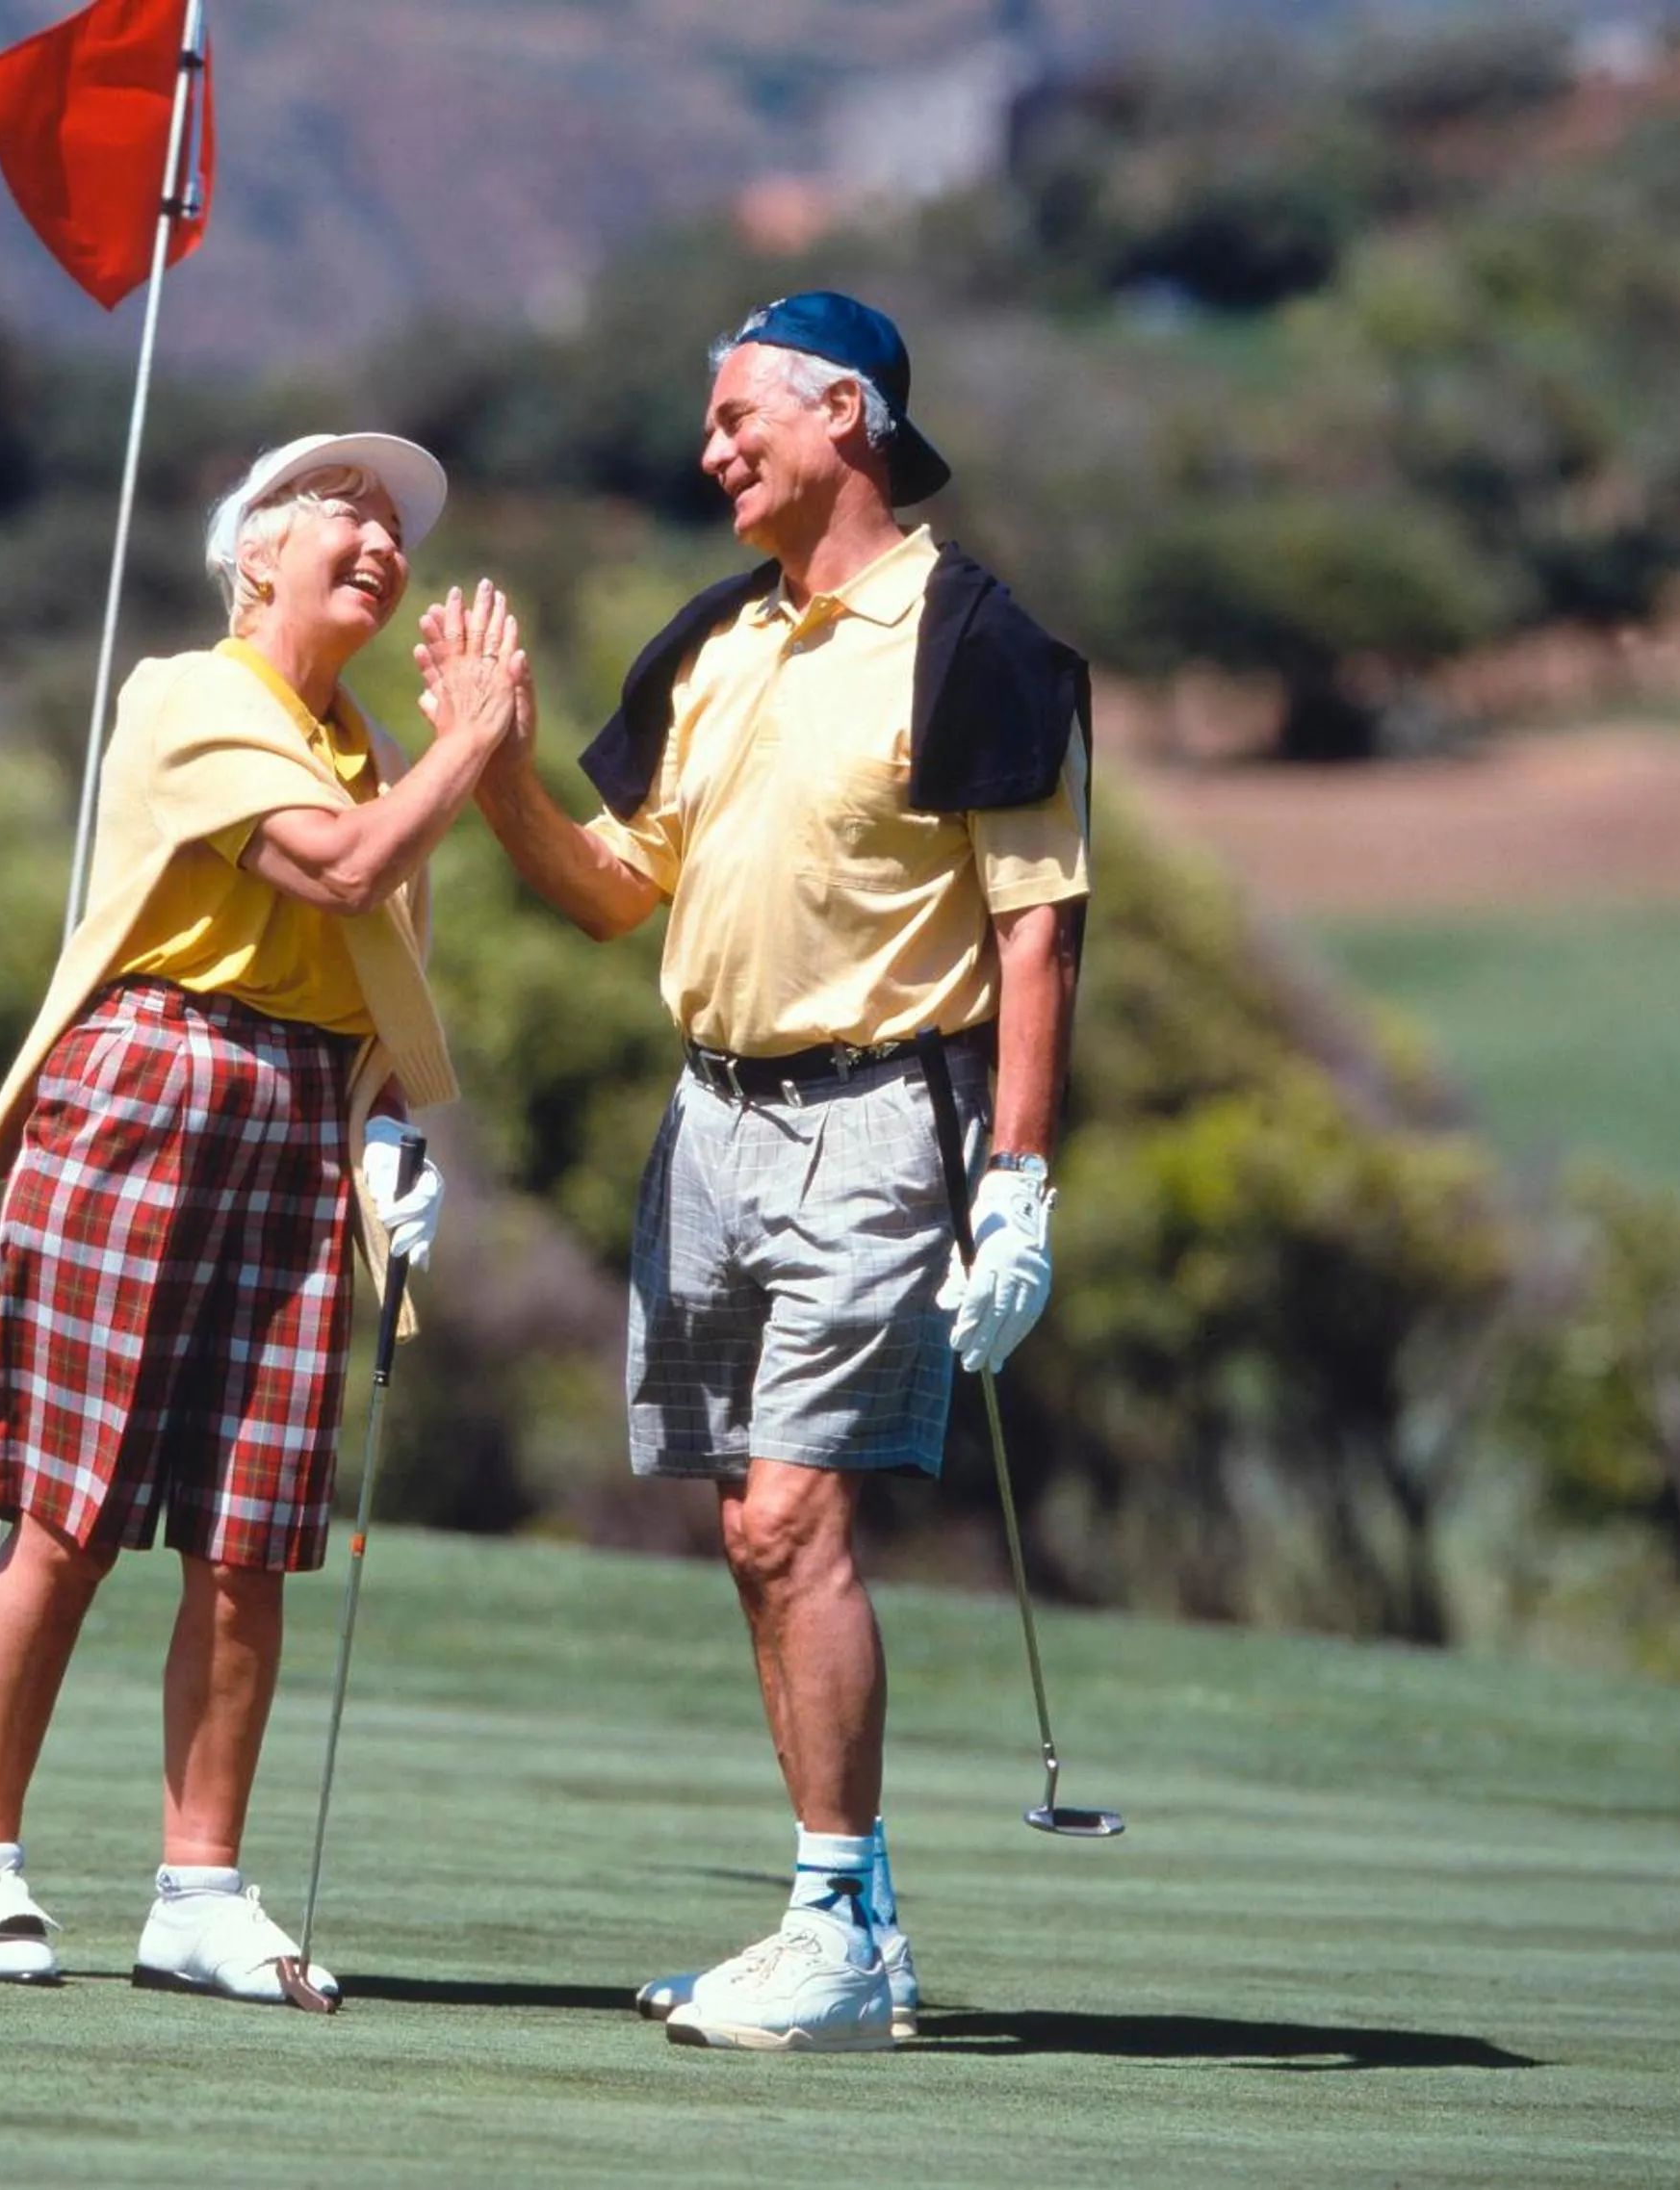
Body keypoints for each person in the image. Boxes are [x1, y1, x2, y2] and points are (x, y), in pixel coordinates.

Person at [440, 293, 1090, 2051]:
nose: (710, 448)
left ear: (845, 416)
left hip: (881, 1121)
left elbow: (1034, 931)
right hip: (708, 1123)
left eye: (740, 418)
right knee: (748, 1531)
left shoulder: (976, 640)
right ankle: (849, 1916)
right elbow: (607, 888)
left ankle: (833, 1931)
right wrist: (493, 771)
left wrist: (1016, 1180)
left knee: (795, 1518)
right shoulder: (711, 639)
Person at [0, 431, 529, 2008]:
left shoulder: (373, 745)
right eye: (347, 513)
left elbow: (365, 963)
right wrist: (473, 744)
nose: (381, 543)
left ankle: (198, 1890)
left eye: (396, 528)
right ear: (255, 553)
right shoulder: (190, 696)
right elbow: (337, 873)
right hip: (148, 1085)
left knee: (249, 1529)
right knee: (66, 1511)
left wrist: (387, 1120)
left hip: (298, 1111)